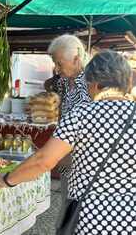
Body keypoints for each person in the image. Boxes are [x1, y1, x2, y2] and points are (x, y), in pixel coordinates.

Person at [0, 50, 136, 234]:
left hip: (92, 218)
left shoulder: (80, 115)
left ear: (93, 83)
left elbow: (43, 161)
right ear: (127, 82)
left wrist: (8, 179)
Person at [44, 34, 91, 229]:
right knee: (66, 209)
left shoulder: (91, 84)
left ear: (77, 58)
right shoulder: (65, 81)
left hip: (83, 162)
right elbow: (49, 85)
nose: (56, 68)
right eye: (55, 62)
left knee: (80, 214)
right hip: (66, 161)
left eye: (59, 62)